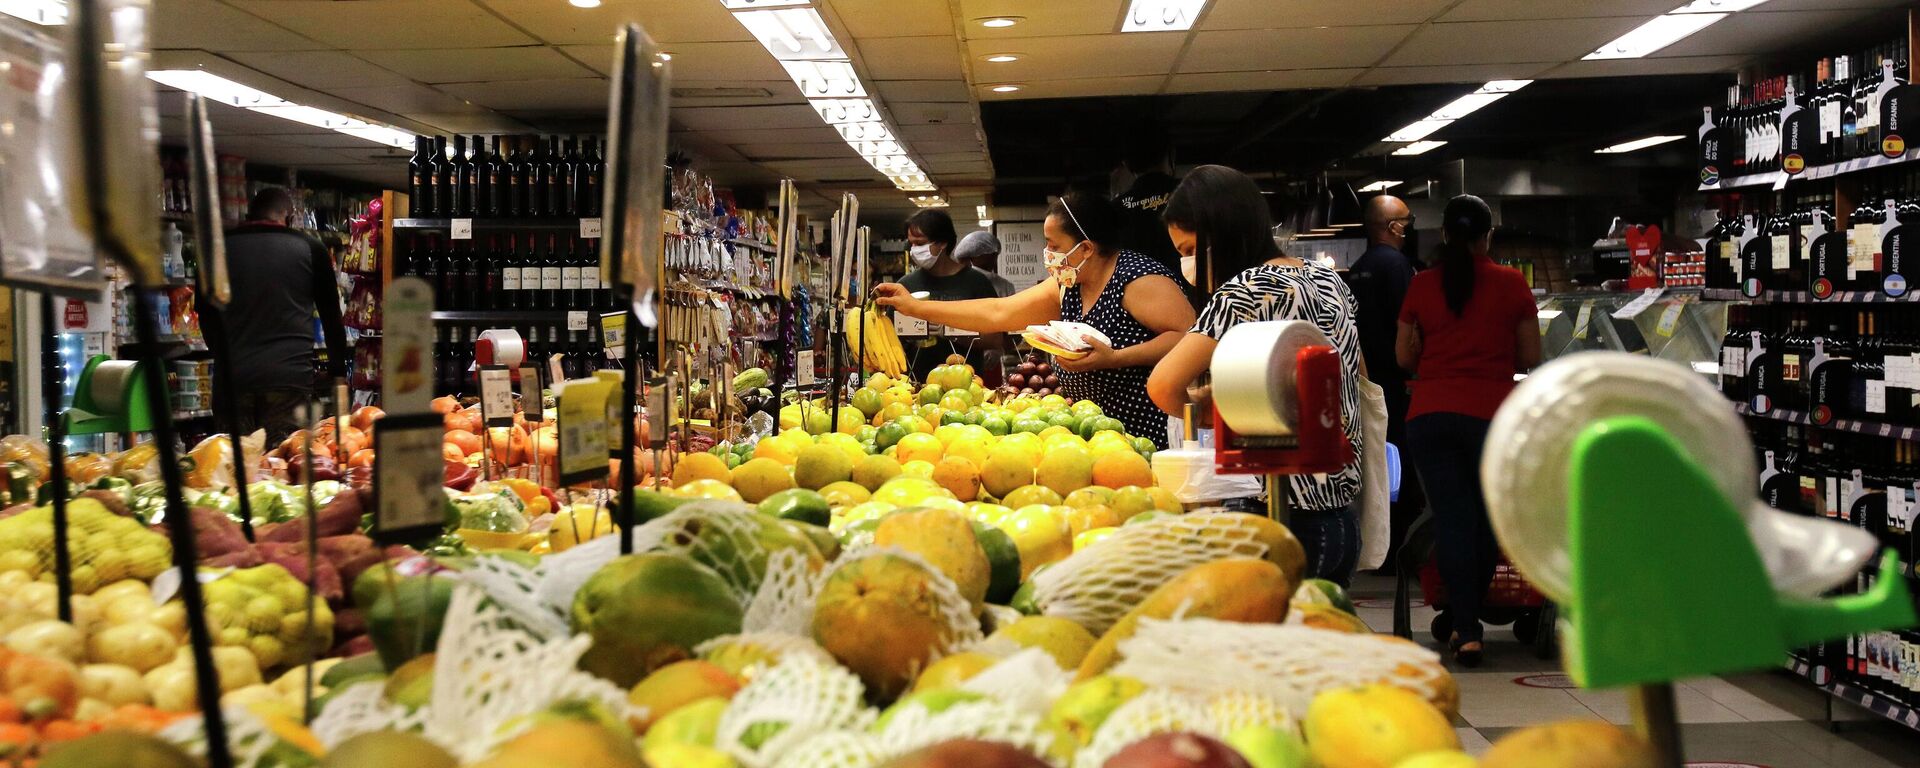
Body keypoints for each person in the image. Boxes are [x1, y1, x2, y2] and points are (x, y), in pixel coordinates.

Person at [1146, 165, 1366, 585]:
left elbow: (1163, 385)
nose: (1187, 263)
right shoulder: (1328, 281)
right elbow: (1347, 376)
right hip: (1340, 519)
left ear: (1222, 232)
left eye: (1191, 248)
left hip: (1275, 515)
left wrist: (1215, 410)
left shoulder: (1245, 290)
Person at [876, 192, 1195, 447]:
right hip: (1094, 435)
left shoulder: (1137, 279)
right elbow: (998, 313)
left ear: (1085, 248)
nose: (1047, 253)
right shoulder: (1068, 283)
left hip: (1146, 435)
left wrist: (1115, 359)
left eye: (1053, 245)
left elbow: (1188, 336)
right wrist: (914, 307)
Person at [1395, 194, 1541, 666]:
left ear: (1443, 236)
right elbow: (1530, 359)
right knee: (1488, 521)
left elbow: (1403, 358)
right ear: (1487, 237)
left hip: (1431, 417)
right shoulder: (1512, 283)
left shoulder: (1421, 285)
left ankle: (1466, 626)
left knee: (1453, 518)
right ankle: (1467, 622)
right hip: (1492, 419)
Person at [203, 187, 347, 445]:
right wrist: (338, 371)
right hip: (289, 380)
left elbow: (206, 315)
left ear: (248, 215)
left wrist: (225, 356)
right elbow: (331, 316)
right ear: (290, 218)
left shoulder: (217, 249)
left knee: (234, 468)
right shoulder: (311, 248)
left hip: (234, 380)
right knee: (284, 464)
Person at [1346, 194, 1418, 566]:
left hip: (1365, 383)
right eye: (1408, 220)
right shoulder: (1396, 265)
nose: (1410, 228)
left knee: (1379, 468)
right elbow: (1409, 328)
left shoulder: (1358, 268)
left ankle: (1377, 547)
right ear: (1393, 227)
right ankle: (1396, 554)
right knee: (1401, 471)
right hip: (1395, 383)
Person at [897, 209, 1001, 382]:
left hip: (968, 384)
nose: (914, 250)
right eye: (911, 244)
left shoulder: (976, 283)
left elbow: (995, 339)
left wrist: (951, 331)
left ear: (942, 243)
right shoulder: (905, 286)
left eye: (920, 243)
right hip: (915, 386)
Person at [1113, 125, 1182, 275]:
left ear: (1126, 164)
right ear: (1171, 153)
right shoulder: (1193, 192)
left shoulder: (1115, 210)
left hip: (1138, 292)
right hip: (1193, 292)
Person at [955, 230, 1016, 298]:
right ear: (972, 257)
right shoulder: (959, 283)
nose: (993, 259)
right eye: (987, 253)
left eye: (995, 255)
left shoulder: (1005, 286)